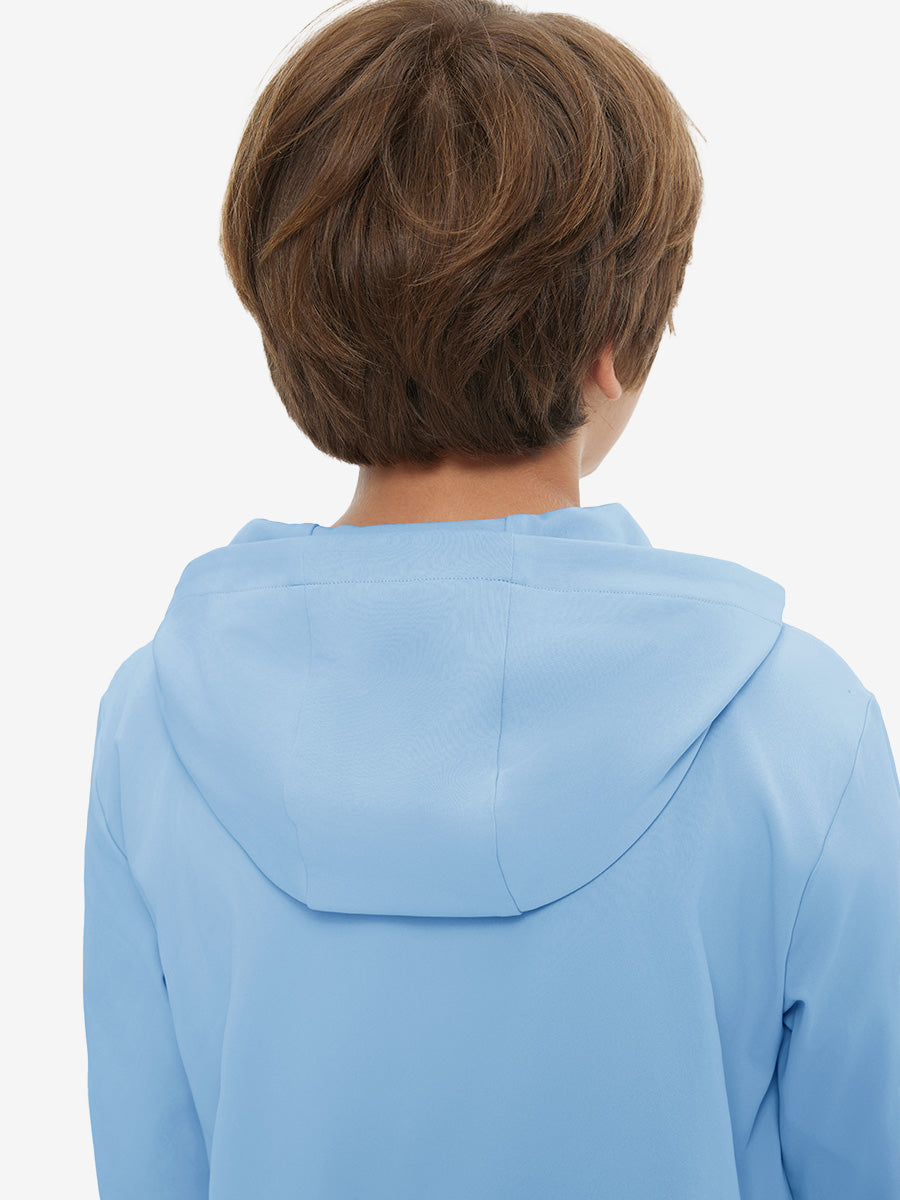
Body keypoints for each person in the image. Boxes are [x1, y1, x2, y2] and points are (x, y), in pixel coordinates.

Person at [82, 1, 900, 1196]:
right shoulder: (797, 729)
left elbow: (154, 1168)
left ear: (294, 321)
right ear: (615, 339)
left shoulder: (154, 723)